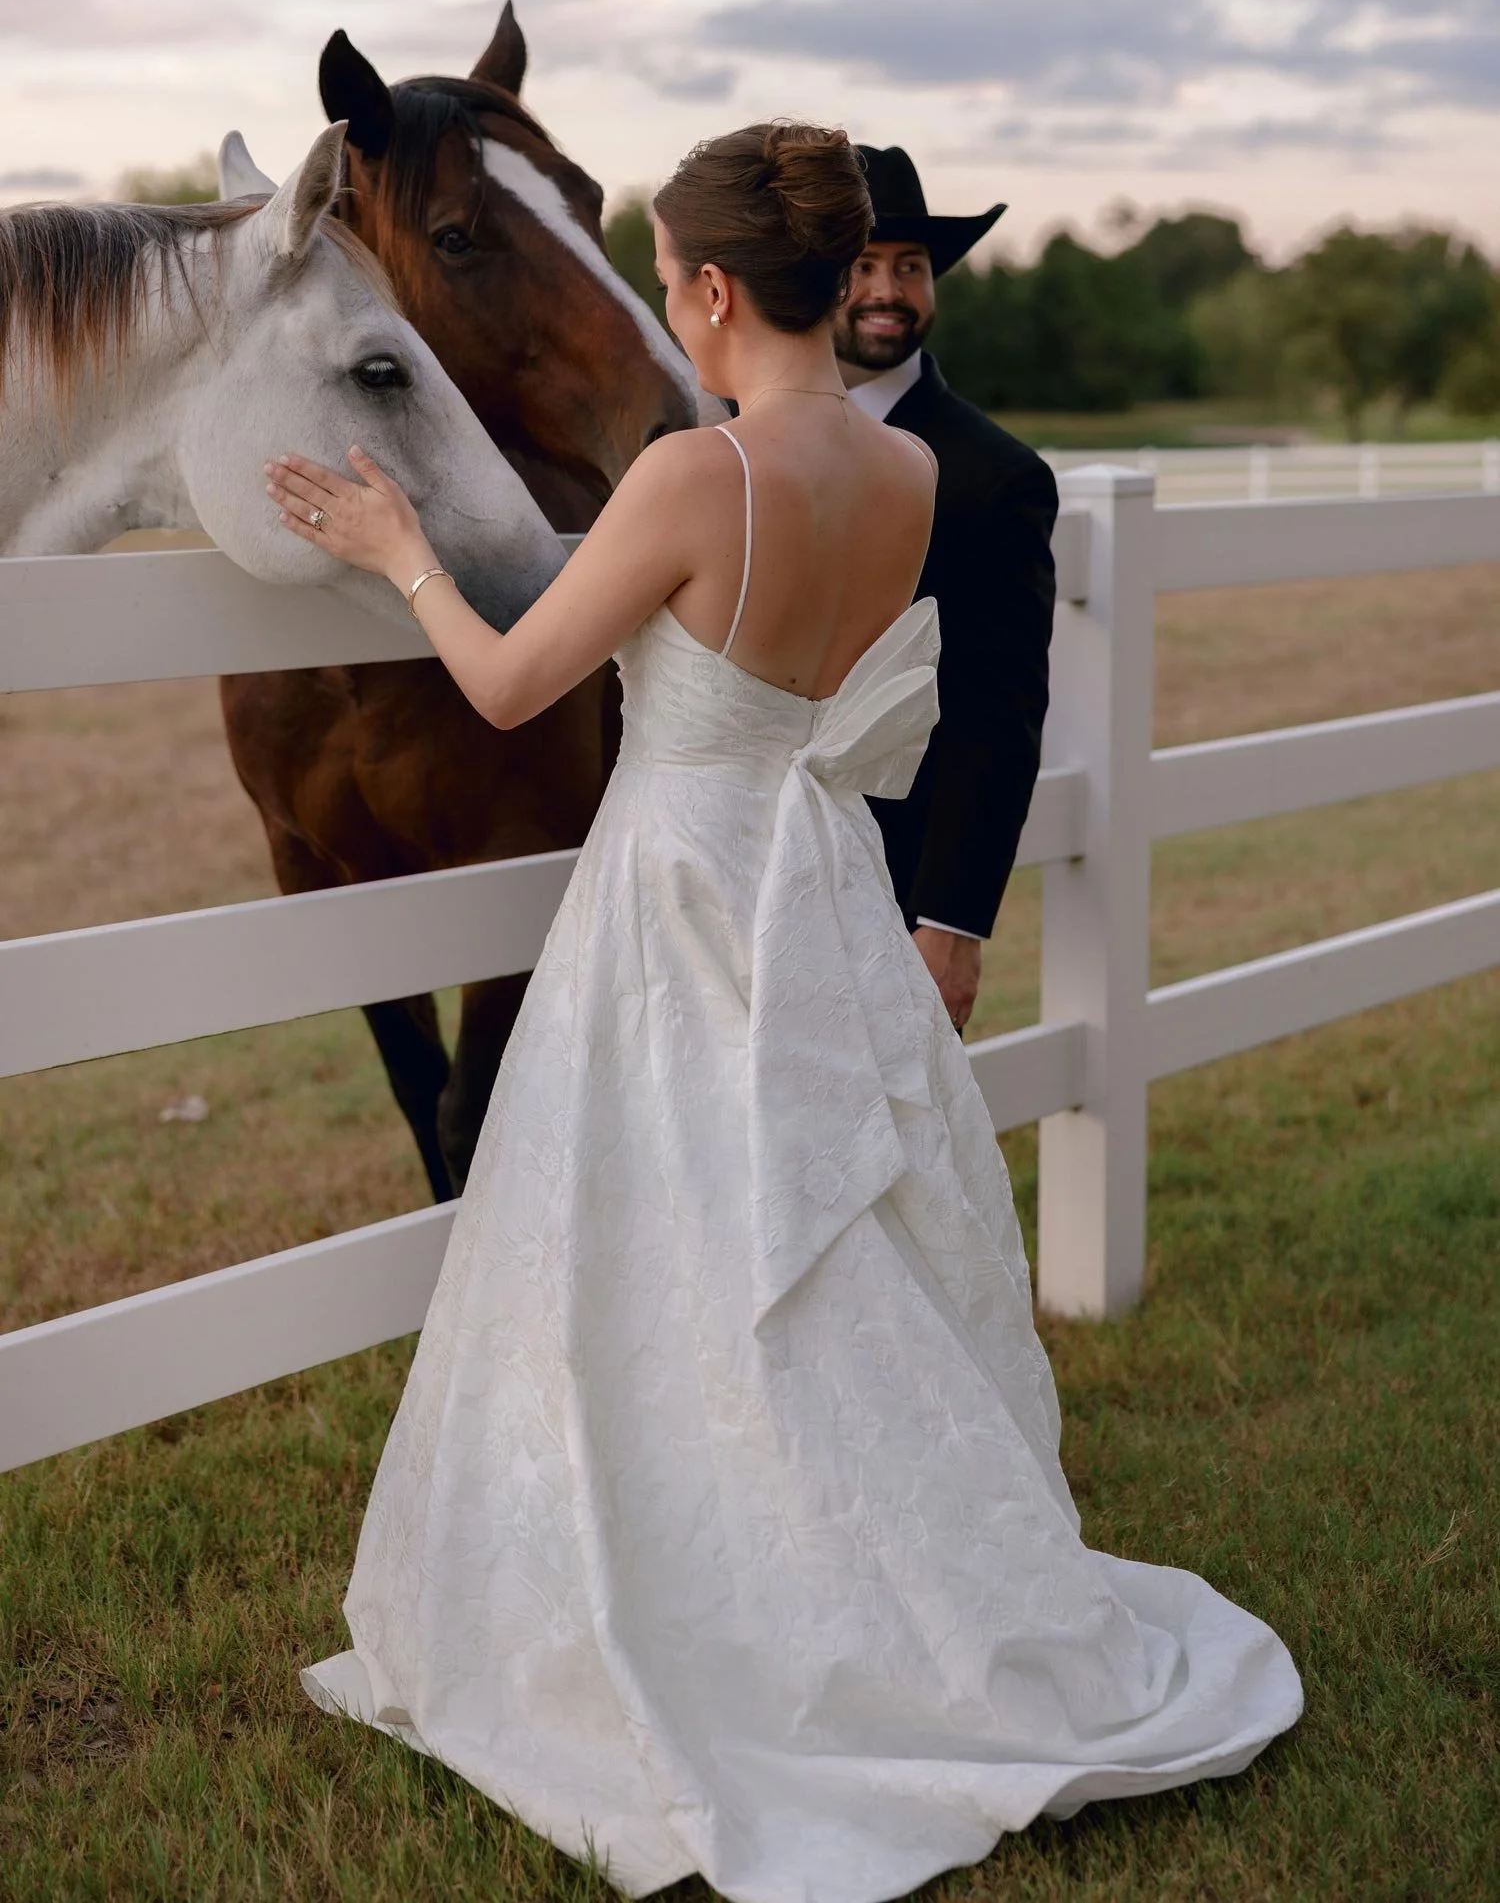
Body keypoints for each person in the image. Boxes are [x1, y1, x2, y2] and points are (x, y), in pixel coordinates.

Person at [269, 121, 1300, 1903]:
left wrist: (395, 548)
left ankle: (690, 1591)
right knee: (817, 1258)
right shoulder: (908, 484)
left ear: (720, 289)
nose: (663, 302)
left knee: (656, 1239)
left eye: (666, 276)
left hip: (681, 886)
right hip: (816, 879)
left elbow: (516, 685)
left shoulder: (690, 479)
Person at [838, 145, 1057, 1035]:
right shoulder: (728, 443)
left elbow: (998, 711)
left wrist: (953, 923)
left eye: (911, 266)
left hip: (894, 887)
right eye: (861, 264)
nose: (888, 288)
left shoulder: (995, 475)